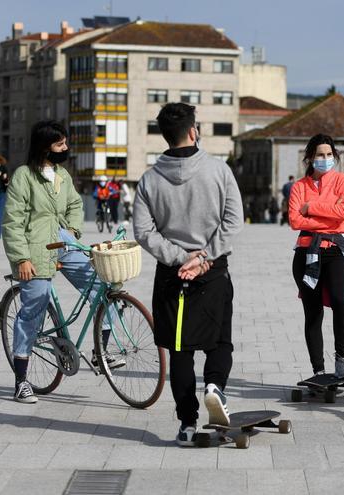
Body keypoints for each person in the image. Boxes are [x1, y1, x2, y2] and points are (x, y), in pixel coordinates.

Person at [133, 102, 243, 447]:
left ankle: (186, 423)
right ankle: (214, 386)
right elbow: (233, 221)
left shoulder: (149, 180)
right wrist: (205, 256)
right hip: (213, 272)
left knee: (180, 350)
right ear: (194, 131)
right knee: (219, 340)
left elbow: (143, 231)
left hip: (171, 274)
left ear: (164, 136)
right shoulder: (219, 170)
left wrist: (180, 257)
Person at [3, 120, 120, 404]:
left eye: (65, 143)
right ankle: (21, 380)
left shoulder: (62, 176)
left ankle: (101, 353)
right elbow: (12, 221)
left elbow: (75, 205)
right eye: (60, 144)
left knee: (103, 285)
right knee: (34, 309)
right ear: (45, 147)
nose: (65, 148)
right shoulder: (23, 176)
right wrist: (21, 258)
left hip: (64, 244)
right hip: (35, 249)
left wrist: (74, 232)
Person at [288, 134, 344, 379]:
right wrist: (327, 216)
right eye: (320, 154)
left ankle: (342, 360)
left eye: (329, 155)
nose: (325, 159)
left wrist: (311, 208)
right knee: (313, 310)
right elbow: (295, 220)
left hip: (336, 250)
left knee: (340, 300)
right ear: (309, 157)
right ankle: (318, 370)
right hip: (307, 253)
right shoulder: (299, 186)